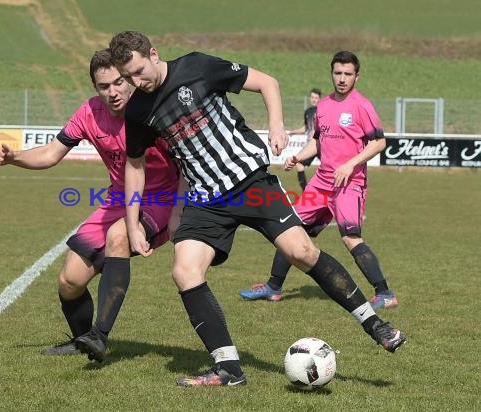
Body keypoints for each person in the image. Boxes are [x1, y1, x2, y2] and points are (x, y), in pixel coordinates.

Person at [107, 32, 406, 387]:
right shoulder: (139, 109)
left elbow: (267, 82)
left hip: (250, 181)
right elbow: (135, 165)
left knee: (302, 251)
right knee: (185, 271)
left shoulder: (197, 66)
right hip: (205, 198)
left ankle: (376, 325)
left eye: (139, 72)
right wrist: (134, 223)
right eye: (128, 78)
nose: (136, 83)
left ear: (153, 54)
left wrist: (276, 125)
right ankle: (228, 369)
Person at [0, 49, 181, 360]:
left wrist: (181, 209)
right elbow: (52, 154)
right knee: (70, 280)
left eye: (119, 82)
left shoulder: (153, 109)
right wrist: (15, 158)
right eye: (104, 86)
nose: (113, 92)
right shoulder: (89, 113)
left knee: (119, 236)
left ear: (129, 78)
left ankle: (100, 336)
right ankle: (83, 340)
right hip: (118, 199)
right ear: (95, 87)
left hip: (162, 199)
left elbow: (187, 159)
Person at [239, 51, 398, 310]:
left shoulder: (361, 105)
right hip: (321, 183)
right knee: (289, 229)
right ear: (332, 74)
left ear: (357, 76)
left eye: (348, 74)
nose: (342, 79)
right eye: (338, 73)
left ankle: (385, 293)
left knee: (350, 238)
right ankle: (274, 287)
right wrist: (298, 157)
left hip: (349, 183)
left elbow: (379, 142)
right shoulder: (323, 106)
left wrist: (349, 164)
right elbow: (318, 141)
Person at [289, 88, 322, 191]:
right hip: (310, 146)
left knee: (331, 168)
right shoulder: (307, 112)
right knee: (299, 164)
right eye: (312, 97)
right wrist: (293, 131)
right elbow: (306, 128)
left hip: (322, 145)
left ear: (319, 99)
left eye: (316, 98)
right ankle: (306, 192)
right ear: (310, 98)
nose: (314, 100)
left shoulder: (323, 110)